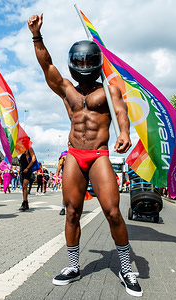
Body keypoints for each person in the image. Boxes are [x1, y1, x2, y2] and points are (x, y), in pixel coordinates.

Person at [28, 14, 141, 297]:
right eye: (79, 62)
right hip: (75, 155)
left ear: (96, 62)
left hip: (99, 154)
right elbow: (46, 65)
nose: (84, 66)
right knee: (71, 212)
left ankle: (127, 268)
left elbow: (121, 113)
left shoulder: (110, 89)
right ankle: (74, 266)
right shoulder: (67, 89)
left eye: (88, 61)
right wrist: (36, 35)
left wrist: (124, 133)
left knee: (113, 212)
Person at [18, 146, 36, 211]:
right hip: (22, 171)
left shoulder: (30, 149)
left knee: (25, 185)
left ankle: (24, 203)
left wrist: (28, 168)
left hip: (27, 170)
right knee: (23, 187)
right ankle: (25, 201)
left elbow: (33, 159)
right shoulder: (21, 150)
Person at [56, 150, 67, 215]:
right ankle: (63, 208)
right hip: (66, 176)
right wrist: (57, 176)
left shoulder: (76, 152)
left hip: (75, 175)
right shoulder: (64, 154)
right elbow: (59, 165)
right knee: (65, 193)